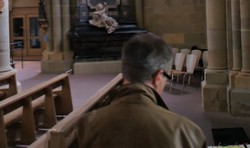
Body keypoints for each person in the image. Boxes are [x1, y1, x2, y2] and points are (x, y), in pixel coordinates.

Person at [75, 32, 205, 148]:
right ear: (159, 77)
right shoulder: (186, 131)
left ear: (125, 71)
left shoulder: (88, 125)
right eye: (166, 77)